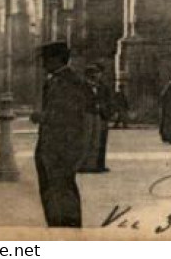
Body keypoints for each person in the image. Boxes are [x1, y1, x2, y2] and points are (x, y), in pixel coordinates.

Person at [33, 41, 91, 228]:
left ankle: (67, 229)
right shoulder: (57, 80)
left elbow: (70, 114)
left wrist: (43, 117)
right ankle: (58, 226)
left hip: (62, 145)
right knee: (52, 188)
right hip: (51, 144)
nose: (43, 64)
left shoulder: (70, 82)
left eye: (46, 59)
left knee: (62, 187)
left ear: (57, 59)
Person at [79, 65, 110, 172]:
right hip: (88, 114)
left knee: (96, 141)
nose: (97, 75)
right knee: (86, 140)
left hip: (98, 115)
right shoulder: (82, 87)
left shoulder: (100, 87)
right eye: (95, 73)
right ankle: (83, 164)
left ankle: (93, 164)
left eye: (97, 73)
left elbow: (106, 99)